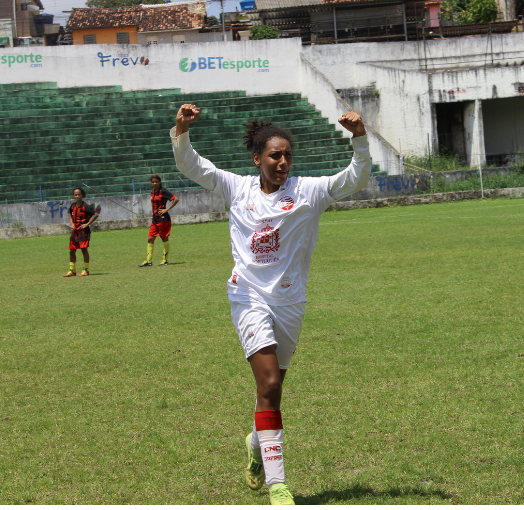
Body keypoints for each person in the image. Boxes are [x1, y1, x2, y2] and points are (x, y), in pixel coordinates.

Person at [171, 104, 371, 505]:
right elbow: (194, 167)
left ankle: (257, 443)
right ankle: (278, 485)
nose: (282, 162)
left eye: (287, 155)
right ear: (257, 158)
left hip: (290, 302)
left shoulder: (308, 192)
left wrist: (360, 137)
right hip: (247, 297)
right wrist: (181, 130)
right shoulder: (237, 188)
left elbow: (355, 178)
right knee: (269, 383)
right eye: (274, 155)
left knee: (272, 394)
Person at [138, 174, 179, 267]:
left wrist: (166, 209)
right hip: (155, 219)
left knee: (164, 238)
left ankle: (165, 260)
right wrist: (153, 212)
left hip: (163, 219)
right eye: (153, 182)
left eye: (156, 181)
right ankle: (148, 261)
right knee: (150, 238)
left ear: (160, 182)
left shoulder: (163, 191)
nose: (155, 183)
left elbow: (176, 199)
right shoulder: (153, 192)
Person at [64, 187, 99, 277]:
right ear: (73, 196)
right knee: (71, 251)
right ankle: (72, 270)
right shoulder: (72, 206)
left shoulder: (86, 206)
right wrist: (71, 223)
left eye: (79, 194)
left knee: (84, 250)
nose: (77, 196)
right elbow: (69, 213)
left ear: (82, 195)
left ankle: (85, 270)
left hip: (83, 232)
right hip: (75, 231)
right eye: (75, 194)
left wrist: (87, 224)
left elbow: (95, 214)